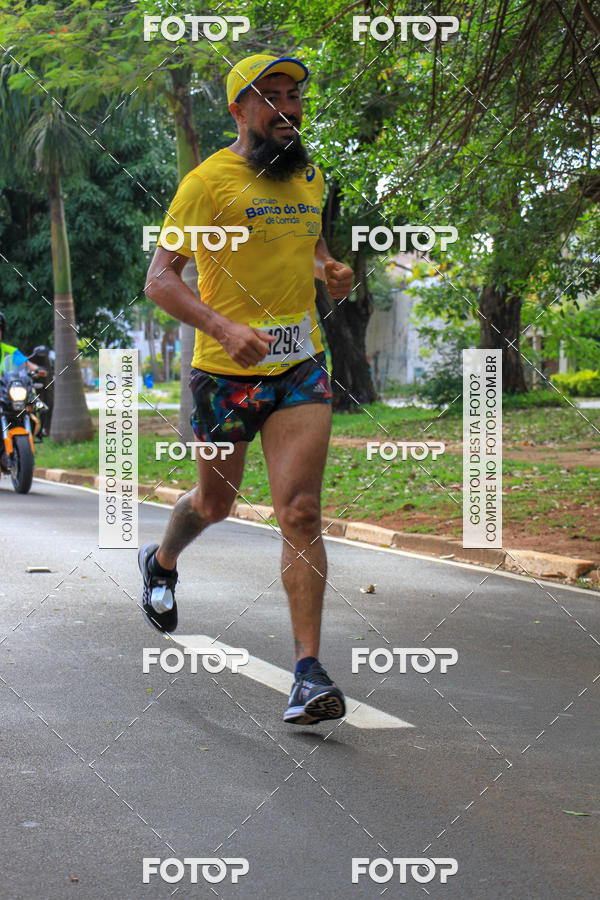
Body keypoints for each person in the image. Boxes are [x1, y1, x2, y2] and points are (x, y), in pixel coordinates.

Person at [139, 53, 354, 725]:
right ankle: (162, 560)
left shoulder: (311, 176)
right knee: (216, 502)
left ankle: (308, 673)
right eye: (272, 97)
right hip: (225, 372)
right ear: (239, 111)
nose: (289, 108)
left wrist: (329, 269)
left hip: (299, 365)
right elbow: (160, 279)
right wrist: (223, 328)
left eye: (295, 96)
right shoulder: (207, 184)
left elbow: (310, 244)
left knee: (301, 511)